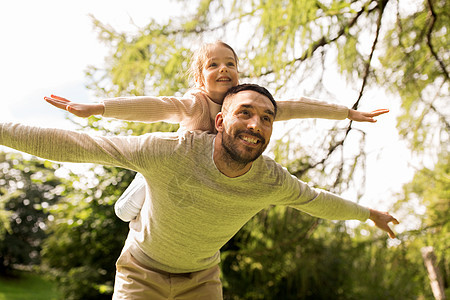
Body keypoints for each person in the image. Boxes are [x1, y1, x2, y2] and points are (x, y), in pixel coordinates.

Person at [1, 83, 398, 299]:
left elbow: (318, 201)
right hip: (141, 274)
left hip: (203, 282)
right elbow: (80, 145)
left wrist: (368, 214)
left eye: (266, 119)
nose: (256, 125)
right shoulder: (169, 151)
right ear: (221, 119)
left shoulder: (271, 179)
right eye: (245, 113)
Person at [44, 41, 389, 222]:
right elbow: (152, 106)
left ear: (238, 72)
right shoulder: (194, 105)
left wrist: (348, 113)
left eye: (231, 63)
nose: (224, 68)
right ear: (199, 78)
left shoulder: (249, 109)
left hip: (203, 180)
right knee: (125, 210)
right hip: (168, 170)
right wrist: (98, 108)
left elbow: (299, 105)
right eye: (213, 64)